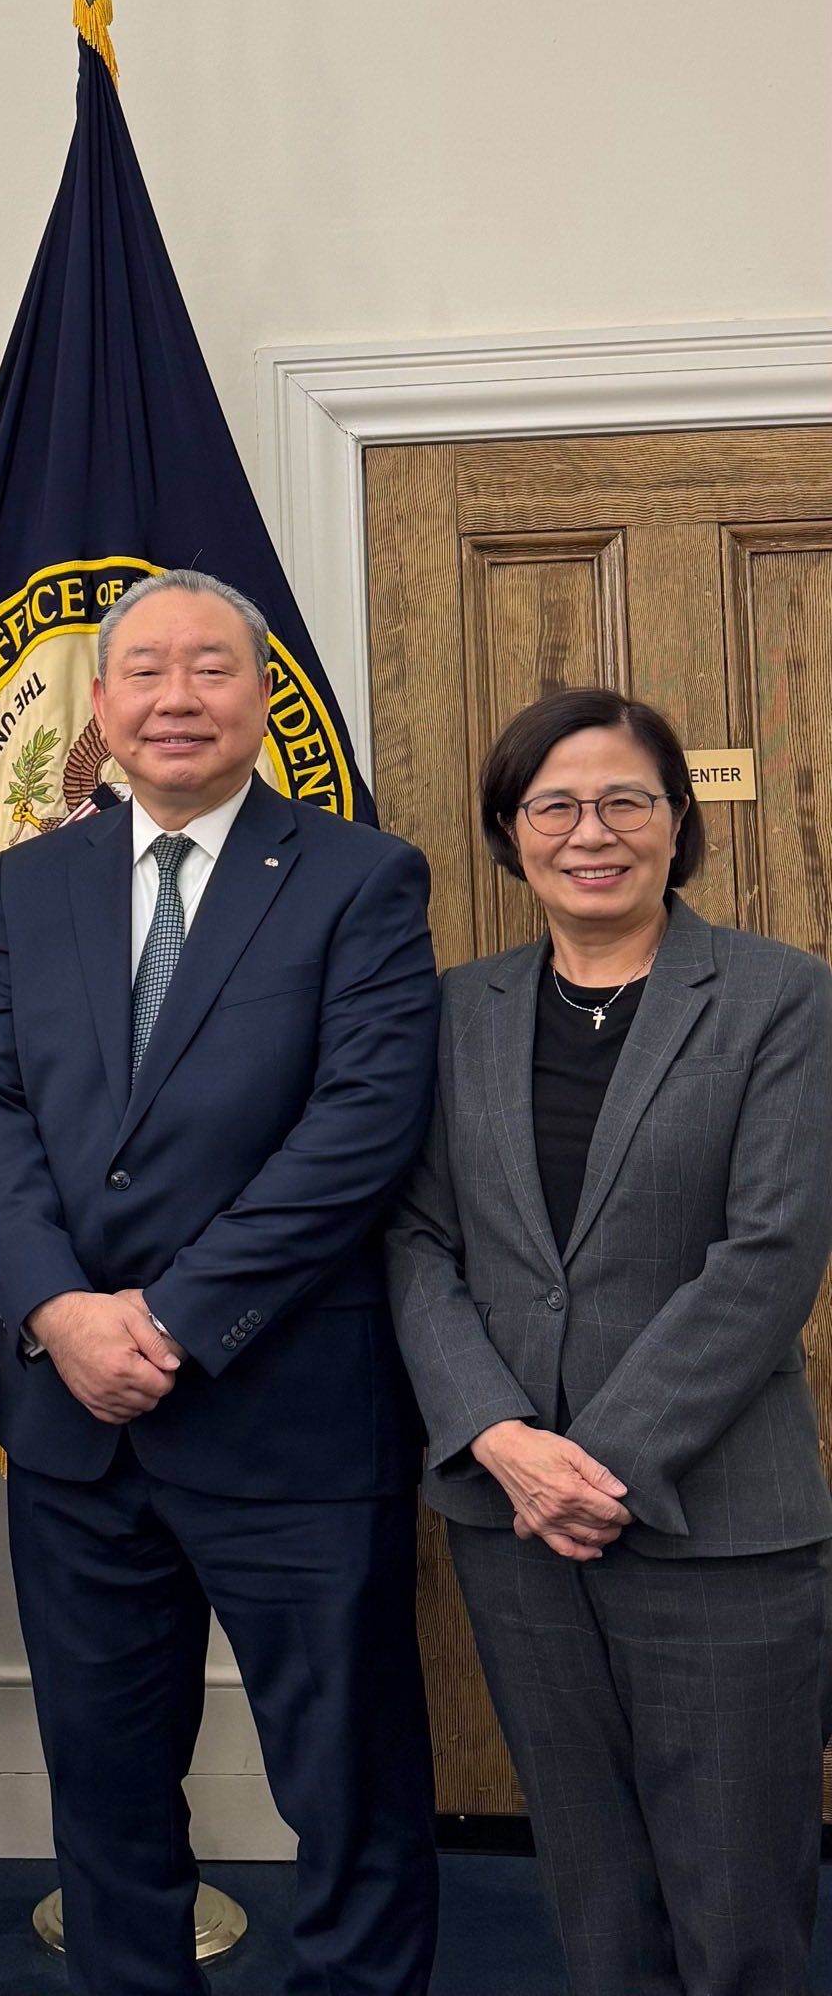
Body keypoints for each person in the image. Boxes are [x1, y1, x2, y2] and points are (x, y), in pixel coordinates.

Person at [0, 568, 442, 1996]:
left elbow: (358, 1131)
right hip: (73, 1430)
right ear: (101, 704)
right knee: (103, 1797)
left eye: (210, 668)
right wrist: (57, 1310)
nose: (176, 697)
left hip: (286, 1421)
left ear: (263, 695)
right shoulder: (33, 882)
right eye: (146, 670)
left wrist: (165, 1319)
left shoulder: (360, 875)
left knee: (347, 1794)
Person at [388, 687, 832, 1996]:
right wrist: (501, 1436)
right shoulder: (454, 1011)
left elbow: (769, 1253)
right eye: (554, 806)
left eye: (625, 800)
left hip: (719, 1522)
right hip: (512, 1520)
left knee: (737, 1902)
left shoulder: (780, 996)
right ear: (509, 831)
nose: (591, 832)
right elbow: (414, 1240)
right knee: (591, 1892)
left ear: (677, 821)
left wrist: (599, 1464)